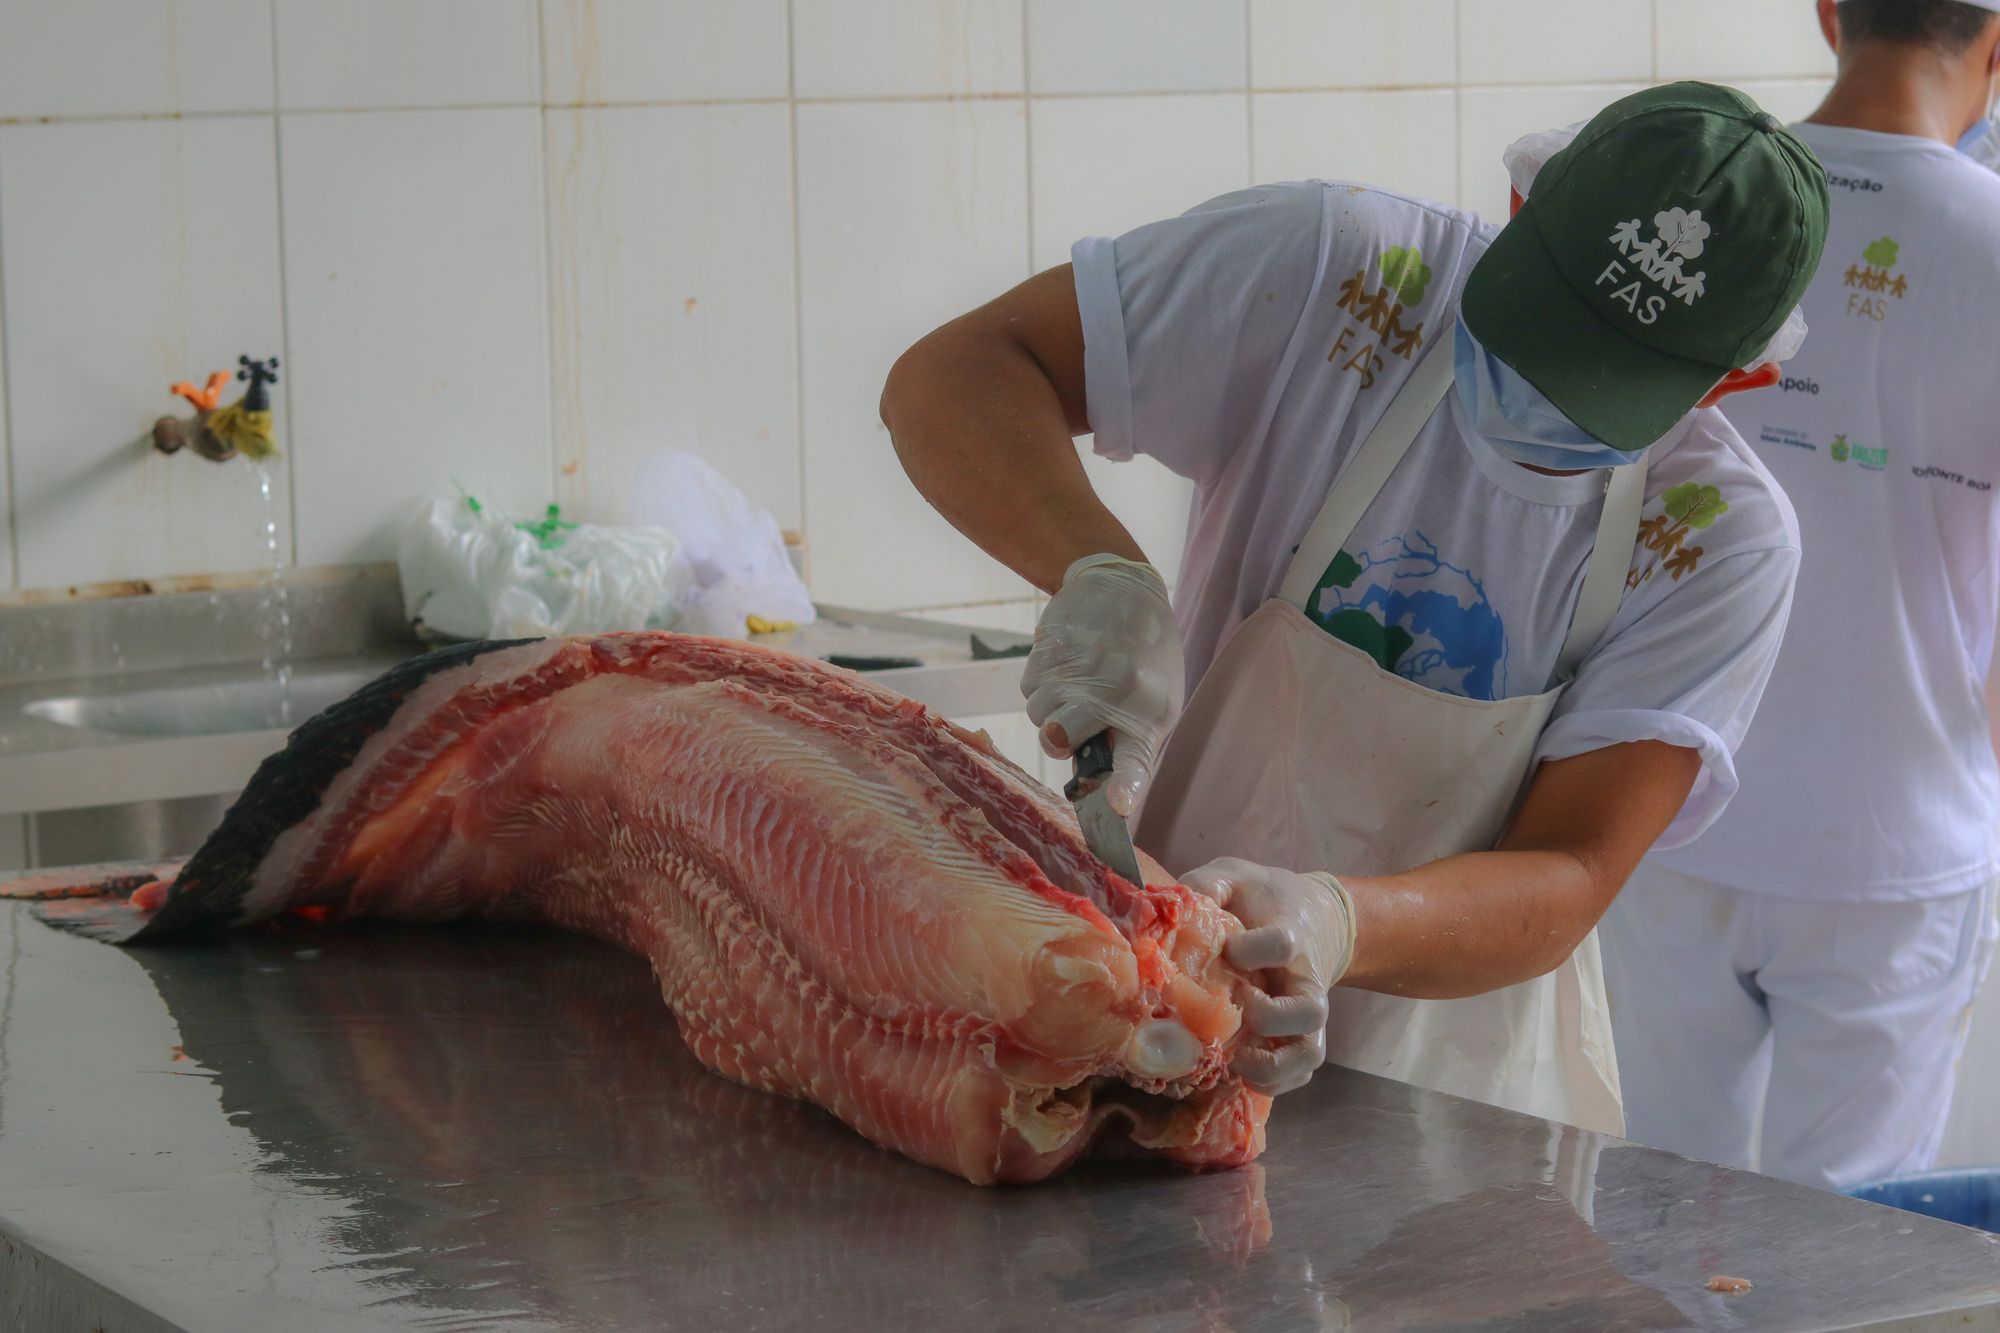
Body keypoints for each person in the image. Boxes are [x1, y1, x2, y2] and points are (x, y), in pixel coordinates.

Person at [881, 82, 1827, 1134]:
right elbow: (955, 374)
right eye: (1543, 333)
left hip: (1455, 1109)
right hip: (1151, 1010)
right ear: (1517, 212)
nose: (1546, 396)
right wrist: (1096, 569)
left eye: (1603, 381)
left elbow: (1569, 869)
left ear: (1733, 382)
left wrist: (1331, 922)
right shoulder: (1336, 271)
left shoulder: (1716, 538)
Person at [1602, 0, 2000, 1189]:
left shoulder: (1697, 209)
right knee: (1859, 1258)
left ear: (1829, 12)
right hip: (1895, 842)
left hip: (1659, 801)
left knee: (1666, 1217)